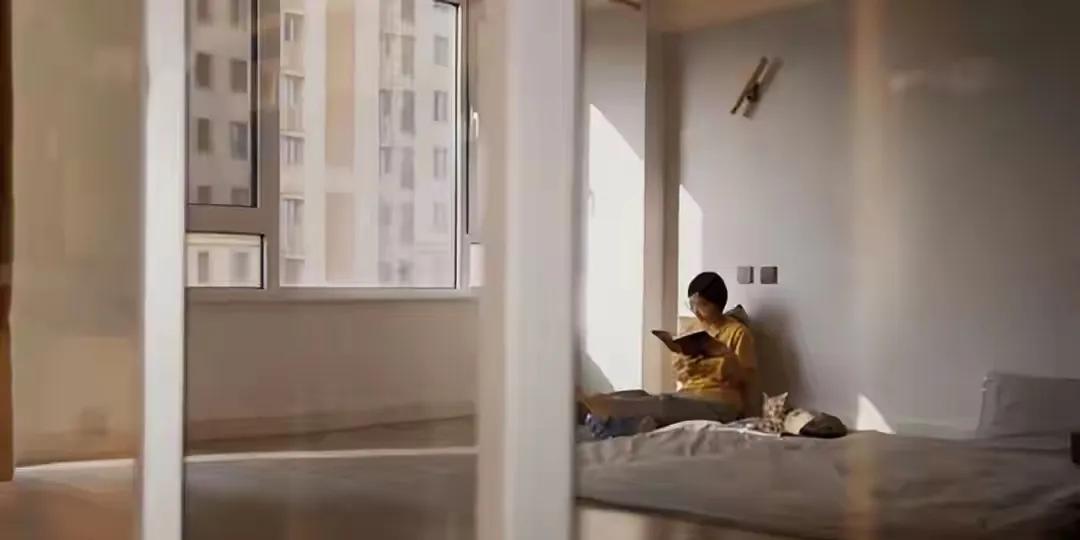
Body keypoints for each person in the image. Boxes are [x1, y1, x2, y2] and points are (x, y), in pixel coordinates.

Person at [580, 271, 757, 438]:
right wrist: (683, 367)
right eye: (692, 305)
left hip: (720, 402)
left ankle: (603, 410)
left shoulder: (737, 332)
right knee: (639, 395)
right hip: (689, 395)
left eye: (703, 305)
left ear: (718, 305)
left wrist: (724, 362)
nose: (696, 311)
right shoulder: (693, 329)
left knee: (664, 402)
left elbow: (748, 379)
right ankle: (605, 413)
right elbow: (681, 375)